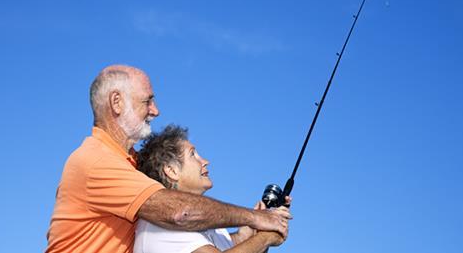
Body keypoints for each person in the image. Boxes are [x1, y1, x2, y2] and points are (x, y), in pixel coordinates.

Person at [45, 65, 291, 253]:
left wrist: (254, 230)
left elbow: (217, 242)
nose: (156, 110)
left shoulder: (131, 164)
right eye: (147, 100)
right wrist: (258, 219)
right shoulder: (96, 161)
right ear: (116, 103)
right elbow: (180, 212)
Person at [135, 125, 290, 253]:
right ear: (171, 170)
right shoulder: (160, 221)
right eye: (193, 155)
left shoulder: (202, 222)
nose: (205, 161)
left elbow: (228, 246)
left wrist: (251, 232)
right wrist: (266, 238)